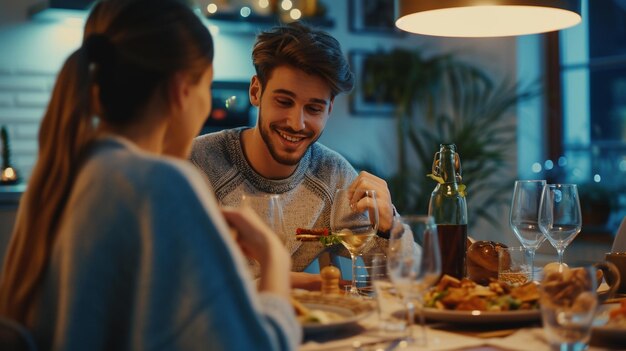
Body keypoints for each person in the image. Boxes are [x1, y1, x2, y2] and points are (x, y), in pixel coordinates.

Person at [0, 1, 301, 350]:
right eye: (207, 85)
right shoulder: (159, 183)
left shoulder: (73, 171)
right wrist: (273, 259)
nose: (207, 104)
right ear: (180, 91)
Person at [191, 22, 399, 290]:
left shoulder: (332, 175)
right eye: (284, 102)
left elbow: (406, 281)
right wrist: (276, 282)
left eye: (313, 108)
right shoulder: (198, 164)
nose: (296, 123)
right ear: (256, 91)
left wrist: (388, 228)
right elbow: (173, 287)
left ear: (329, 110)